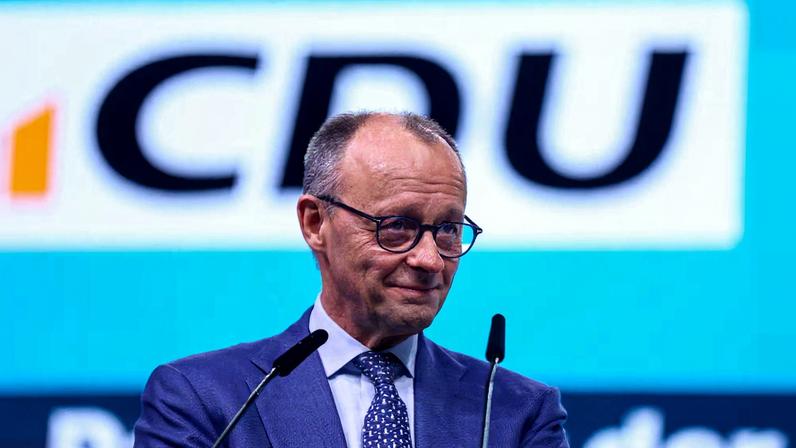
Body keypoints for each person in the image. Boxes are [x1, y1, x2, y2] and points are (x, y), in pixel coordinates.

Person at [133, 111, 569, 447]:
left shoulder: (517, 412)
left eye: (448, 230)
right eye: (397, 225)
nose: (429, 259)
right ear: (315, 222)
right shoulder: (204, 399)